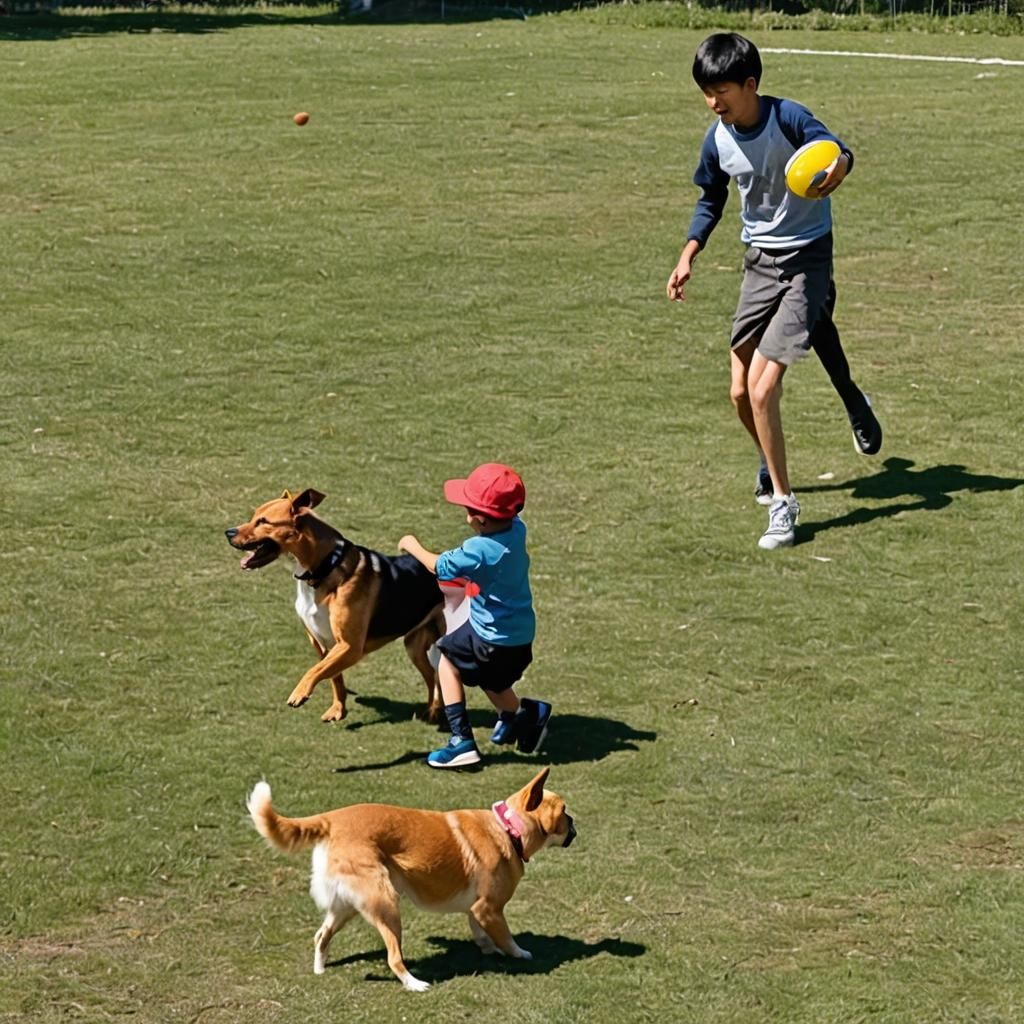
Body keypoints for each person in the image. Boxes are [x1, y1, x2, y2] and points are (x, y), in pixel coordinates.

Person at [666, 32, 882, 550]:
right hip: (758, 265)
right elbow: (710, 199)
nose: (714, 102)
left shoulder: (787, 117)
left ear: (750, 85)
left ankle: (783, 506)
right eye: (706, 92)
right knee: (740, 391)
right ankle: (773, 456)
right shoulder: (716, 139)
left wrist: (839, 167)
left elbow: (837, 150)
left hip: (807, 259)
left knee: (763, 388)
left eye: (722, 91)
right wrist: (687, 253)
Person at [399, 462, 551, 768]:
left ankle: (461, 742)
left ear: (478, 518)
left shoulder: (479, 549)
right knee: (491, 679)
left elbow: (437, 566)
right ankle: (524, 716)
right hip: (518, 635)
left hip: (490, 637)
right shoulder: (517, 529)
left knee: (448, 659)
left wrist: (410, 544)